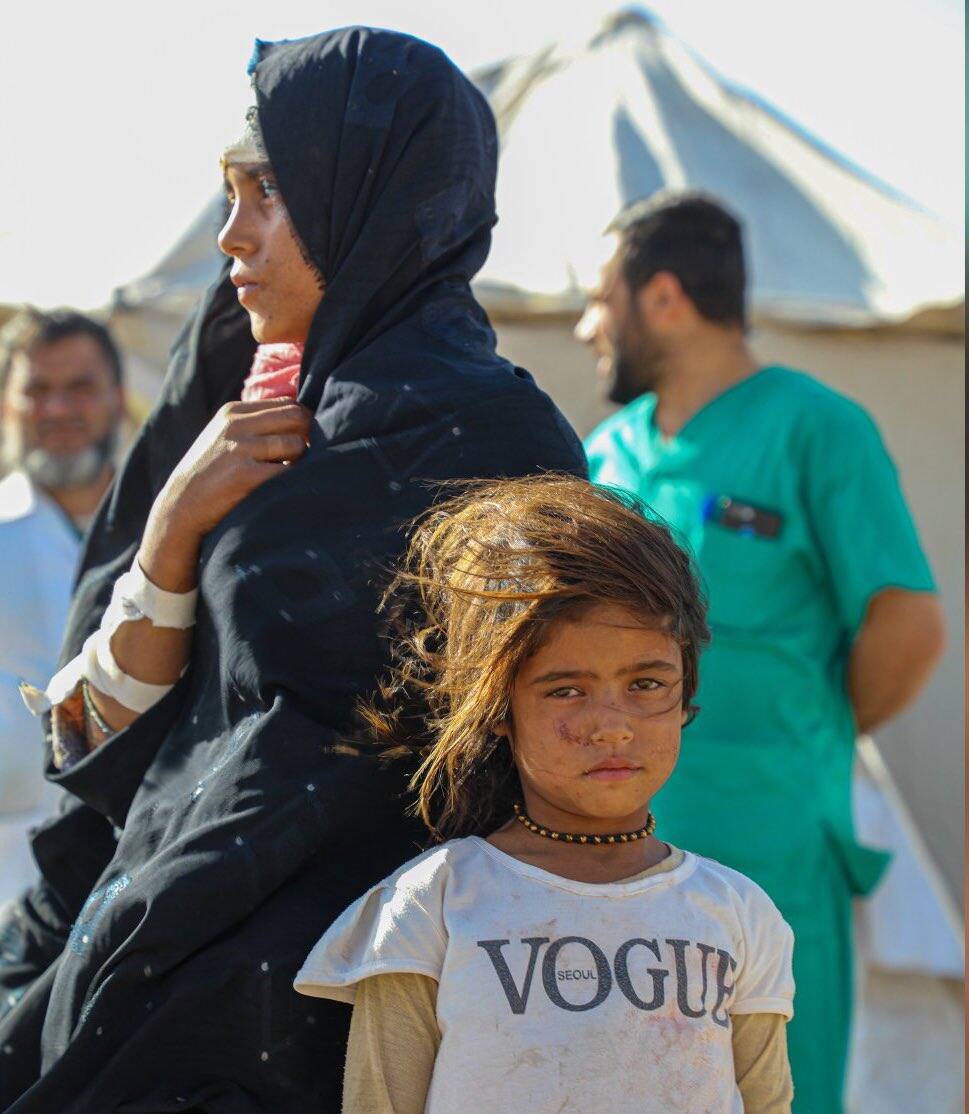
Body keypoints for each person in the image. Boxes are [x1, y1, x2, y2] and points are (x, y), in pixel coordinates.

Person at [0, 28, 585, 1112]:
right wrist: (175, 526)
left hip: (364, 1002)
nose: (230, 235)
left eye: (268, 192)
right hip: (139, 924)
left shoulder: (500, 442)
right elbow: (91, 721)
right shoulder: (228, 384)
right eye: (227, 192)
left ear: (366, 192)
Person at [575, 192, 946, 1114]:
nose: (586, 326)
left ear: (661, 300)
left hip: (770, 855)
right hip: (612, 860)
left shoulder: (817, 428)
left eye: (598, 298)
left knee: (773, 1093)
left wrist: (808, 732)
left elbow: (908, 624)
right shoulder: (602, 455)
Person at [295, 475, 795, 1114]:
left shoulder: (738, 915)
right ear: (500, 708)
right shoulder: (434, 906)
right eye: (566, 690)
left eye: (646, 684)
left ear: (686, 695)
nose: (612, 723)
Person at [0, 309, 125, 901]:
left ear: (117, 398)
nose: (57, 411)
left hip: (139, 849)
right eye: (37, 391)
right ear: (7, 404)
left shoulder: (171, 524)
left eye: (79, 388)